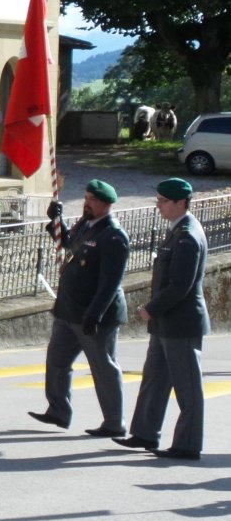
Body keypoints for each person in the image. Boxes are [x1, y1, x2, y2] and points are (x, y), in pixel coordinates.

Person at [113, 178, 208, 460]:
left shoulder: (188, 235)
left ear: (181, 202)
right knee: (154, 379)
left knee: (187, 387)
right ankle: (144, 433)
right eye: (158, 200)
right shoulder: (177, 230)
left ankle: (188, 444)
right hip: (166, 323)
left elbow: (181, 285)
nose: (159, 206)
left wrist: (151, 308)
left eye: (164, 201)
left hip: (181, 323)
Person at [29, 180, 129, 437]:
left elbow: (110, 282)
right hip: (69, 310)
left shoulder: (113, 235)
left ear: (106, 205)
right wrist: (56, 222)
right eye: (85, 198)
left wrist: (94, 314)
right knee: (57, 361)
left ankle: (114, 422)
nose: (87, 203)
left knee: (103, 367)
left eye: (92, 200)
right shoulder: (86, 225)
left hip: (94, 315)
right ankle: (58, 410)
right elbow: (70, 245)